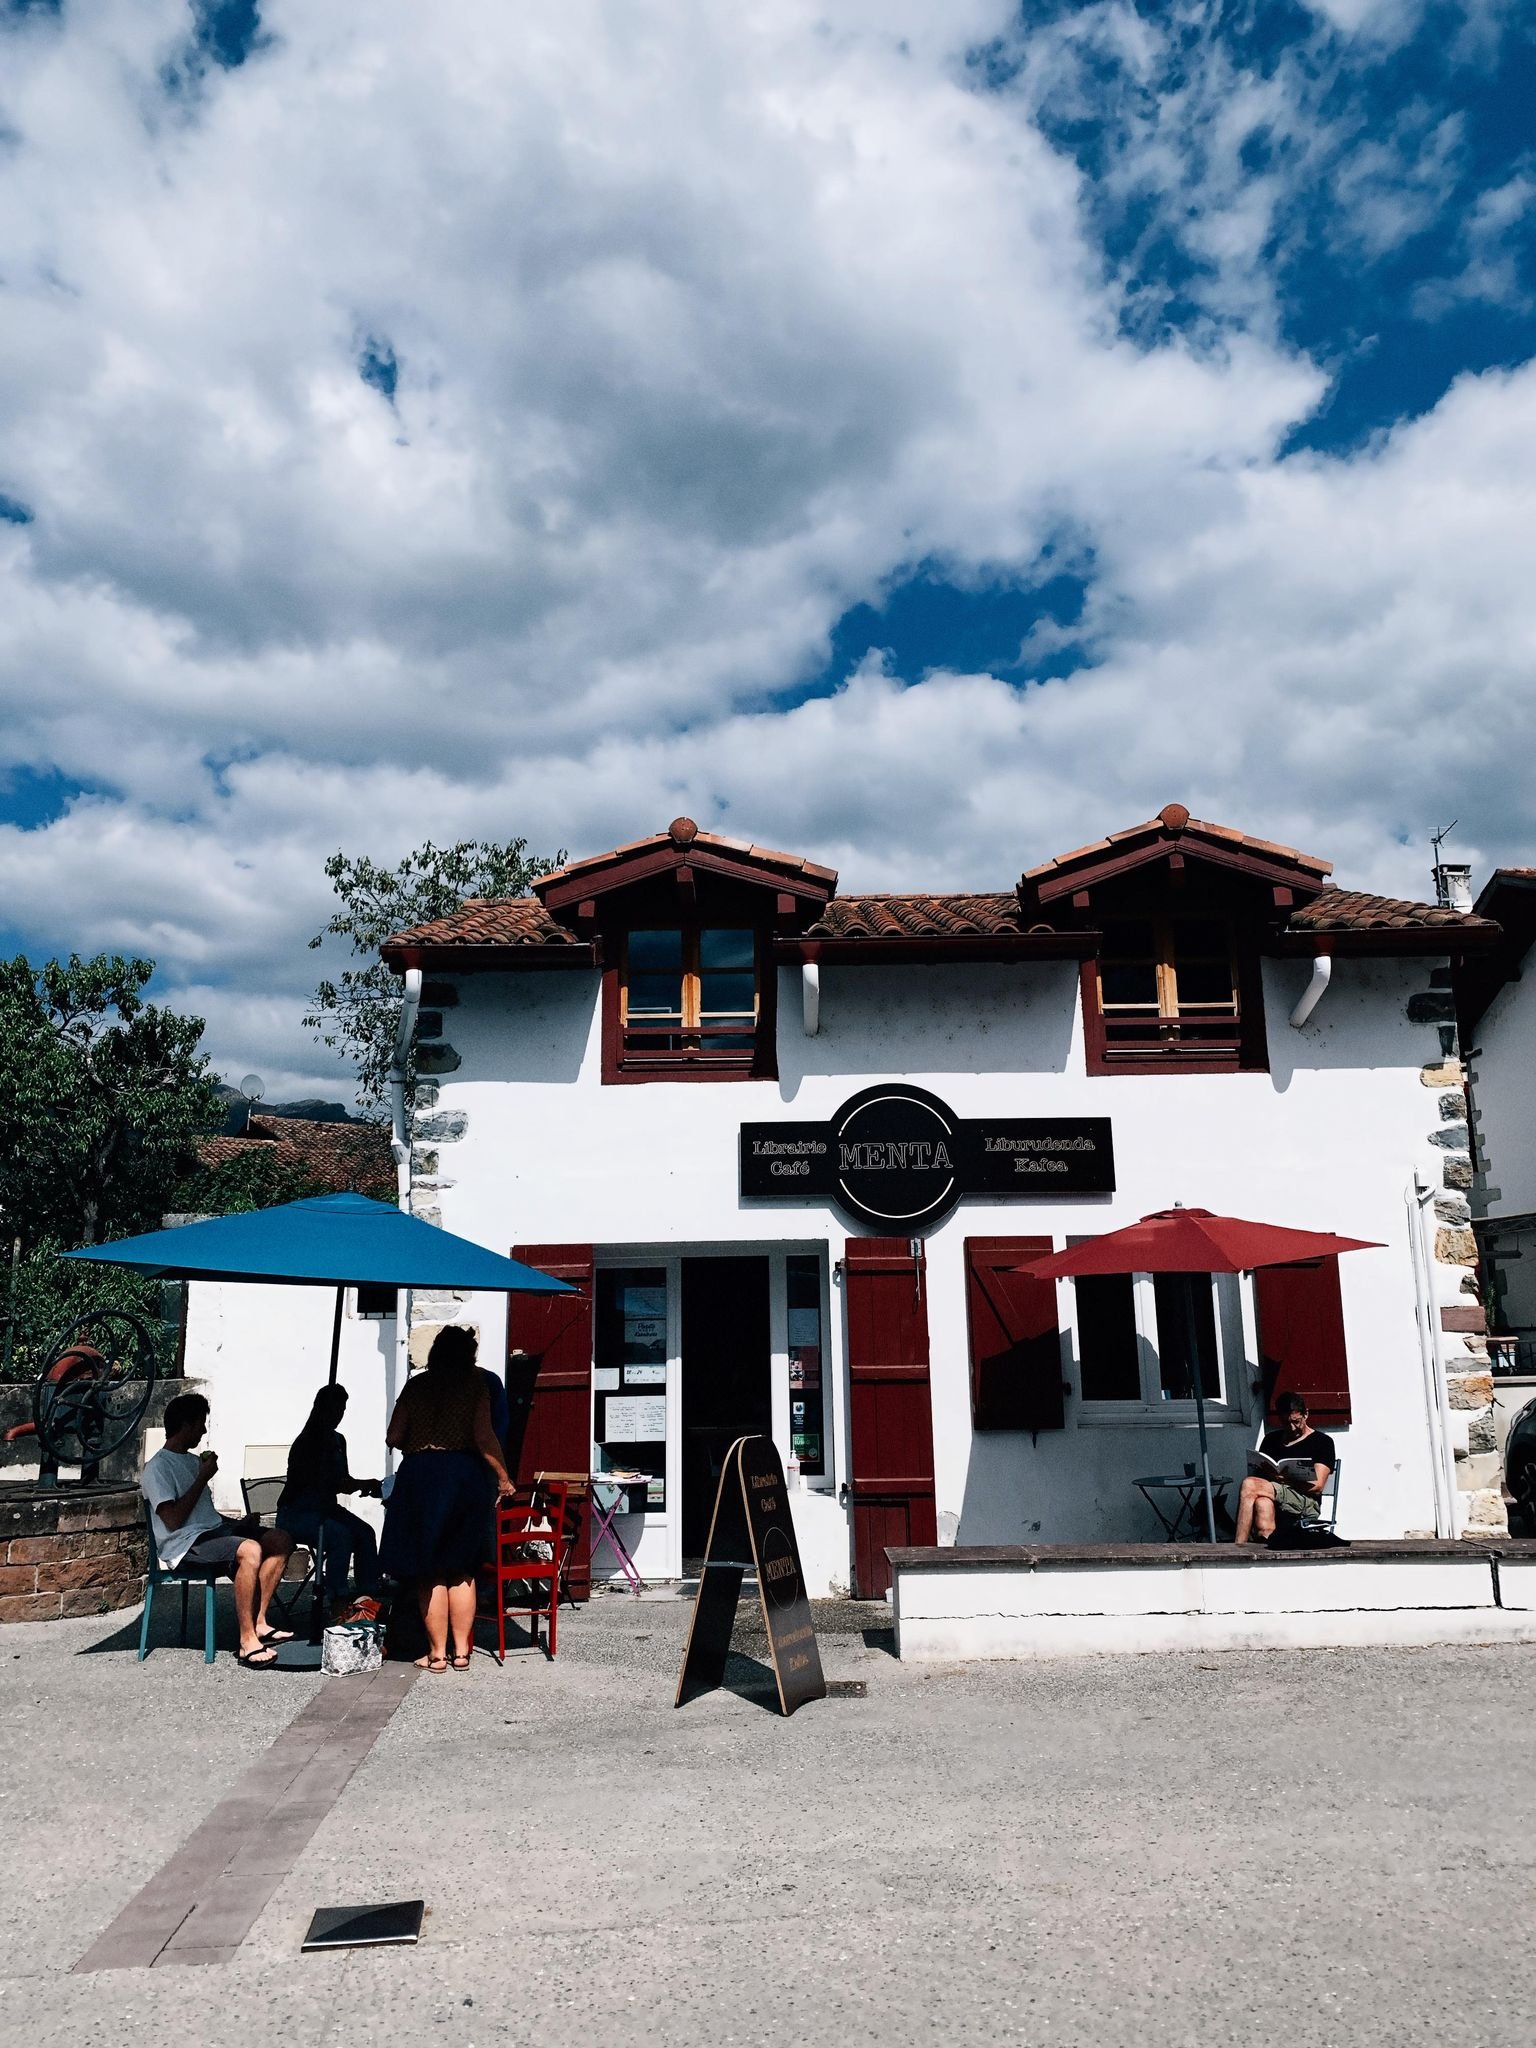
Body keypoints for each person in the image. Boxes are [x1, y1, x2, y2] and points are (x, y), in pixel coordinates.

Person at [380, 1325, 515, 1672]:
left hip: (421, 1479)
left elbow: (394, 1435)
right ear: (468, 1354)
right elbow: (484, 1437)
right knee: (462, 1570)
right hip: (464, 1479)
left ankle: (436, 1654)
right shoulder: (476, 1387)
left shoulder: (417, 1386)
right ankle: (461, 1653)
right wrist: (502, 1477)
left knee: (429, 1572)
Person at [141, 1392, 296, 1669]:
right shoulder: (157, 1468)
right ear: (186, 1425)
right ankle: (246, 1641)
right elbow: (173, 1520)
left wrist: (237, 1524)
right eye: (200, 1424)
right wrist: (202, 1477)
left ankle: (259, 1621)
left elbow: (205, 1515)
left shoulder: (191, 1461)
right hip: (183, 1544)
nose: (203, 1431)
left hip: (211, 1532)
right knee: (250, 1550)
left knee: (279, 1539)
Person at [274, 1384, 384, 1620]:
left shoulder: (338, 1440)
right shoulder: (307, 1442)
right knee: (340, 1536)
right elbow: (330, 1482)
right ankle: (338, 1599)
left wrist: (361, 1484)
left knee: (365, 1533)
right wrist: (361, 1484)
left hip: (326, 1508)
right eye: (335, 1409)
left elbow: (342, 1480)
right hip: (297, 1511)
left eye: (343, 1409)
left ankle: (366, 1596)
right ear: (321, 1409)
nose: (339, 1415)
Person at [1234, 1392, 1336, 1544]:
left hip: (1305, 1499)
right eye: (1286, 1423)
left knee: (1249, 1484)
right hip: (1275, 1493)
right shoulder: (1271, 1440)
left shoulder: (1322, 1442)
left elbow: (1317, 1486)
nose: (1292, 1428)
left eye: (1296, 1422)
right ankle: (1269, 1543)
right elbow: (1260, 1476)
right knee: (1262, 1503)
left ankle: (1237, 1547)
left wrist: (1285, 1480)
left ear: (1306, 1414)